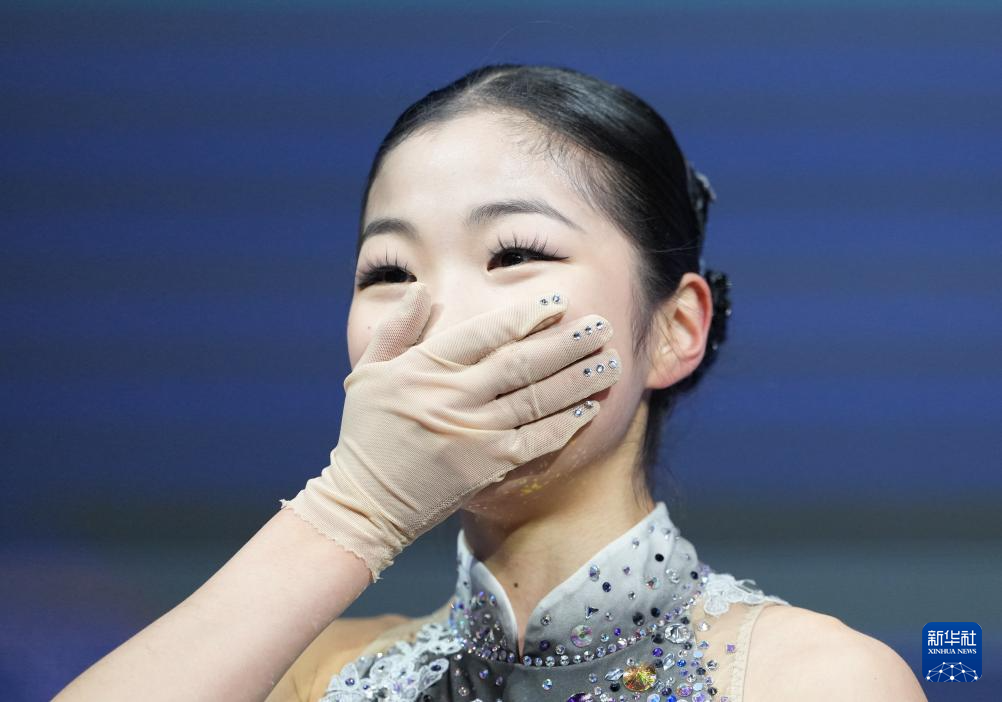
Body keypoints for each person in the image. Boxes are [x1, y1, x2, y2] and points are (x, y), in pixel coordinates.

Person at [55, 63, 927, 702]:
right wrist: (349, 513)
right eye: (388, 271)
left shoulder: (805, 677)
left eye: (514, 253)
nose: (440, 314)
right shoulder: (314, 672)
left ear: (675, 330)